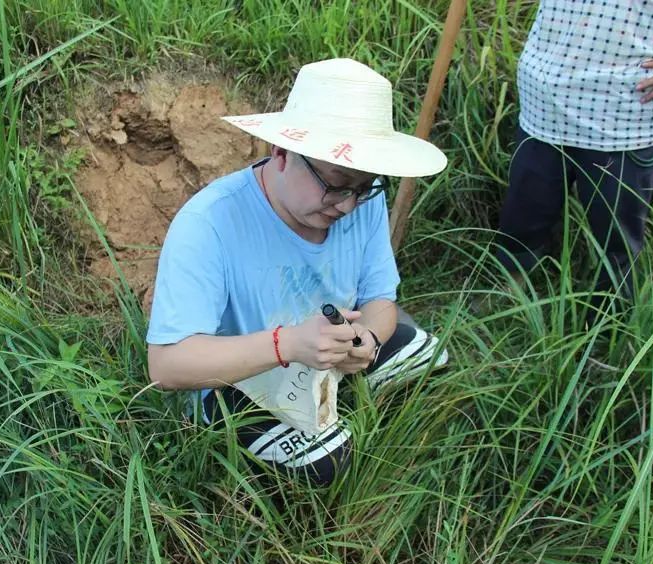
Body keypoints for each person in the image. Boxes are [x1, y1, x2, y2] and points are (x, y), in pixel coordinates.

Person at [146, 58, 449, 486]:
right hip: (239, 379)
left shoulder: (362, 203)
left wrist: (367, 341)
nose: (346, 206)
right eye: (336, 184)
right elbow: (166, 365)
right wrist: (287, 344)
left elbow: (381, 302)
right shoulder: (210, 223)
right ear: (283, 152)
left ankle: (350, 402)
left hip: (327, 356)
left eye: (363, 188)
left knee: (431, 358)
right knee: (331, 467)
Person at [494, 1, 653, 320]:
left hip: (624, 120)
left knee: (616, 240)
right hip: (543, 106)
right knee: (524, 216)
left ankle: (607, 332)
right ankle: (504, 297)